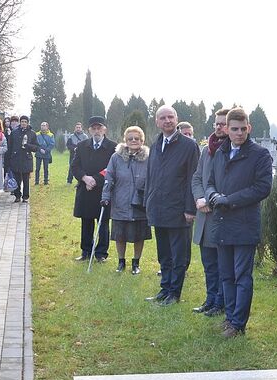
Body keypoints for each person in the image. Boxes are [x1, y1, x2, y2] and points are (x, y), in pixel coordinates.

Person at [204, 107, 272, 337]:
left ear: (249, 128)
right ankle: (230, 317)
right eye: (234, 129)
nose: (239, 133)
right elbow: (211, 181)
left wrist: (228, 200)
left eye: (243, 129)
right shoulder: (221, 152)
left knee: (242, 276)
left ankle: (238, 324)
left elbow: (262, 188)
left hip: (244, 224)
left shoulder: (259, 155)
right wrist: (212, 195)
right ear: (227, 129)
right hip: (222, 222)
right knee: (226, 275)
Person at [144, 106, 199, 306]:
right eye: (162, 118)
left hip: (179, 211)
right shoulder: (156, 145)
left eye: (170, 117)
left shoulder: (188, 146)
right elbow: (151, 177)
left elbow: (192, 179)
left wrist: (189, 209)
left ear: (176, 119)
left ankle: (174, 294)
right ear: (157, 122)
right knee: (164, 254)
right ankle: (164, 289)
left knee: (178, 256)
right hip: (158, 209)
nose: (167, 121)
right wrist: (147, 204)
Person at [190, 107, 229, 317]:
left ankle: (220, 303)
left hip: (222, 216)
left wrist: (210, 201)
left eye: (223, 123)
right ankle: (210, 299)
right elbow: (197, 177)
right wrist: (198, 198)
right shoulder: (207, 150)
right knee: (209, 264)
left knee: (223, 265)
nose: (219, 127)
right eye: (217, 123)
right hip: (204, 214)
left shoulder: (233, 150)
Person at [101, 126, 151, 274]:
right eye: (130, 138)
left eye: (137, 138)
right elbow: (108, 177)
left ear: (142, 140)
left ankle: (136, 263)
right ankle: (121, 262)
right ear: (125, 140)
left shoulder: (149, 158)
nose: (134, 141)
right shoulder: (116, 157)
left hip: (140, 203)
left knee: (139, 235)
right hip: (120, 201)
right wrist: (105, 196)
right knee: (119, 234)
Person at [71, 116, 116, 262]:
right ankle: (86, 251)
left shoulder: (113, 147)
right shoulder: (82, 145)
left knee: (103, 222)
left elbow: (111, 168)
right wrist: (85, 178)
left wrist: (95, 179)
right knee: (86, 222)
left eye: (99, 128)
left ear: (104, 130)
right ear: (89, 130)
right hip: (85, 189)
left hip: (103, 190)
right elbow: (75, 166)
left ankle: (101, 253)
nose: (97, 131)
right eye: (94, 128)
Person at [6, 115, 38, 202]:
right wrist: (8, 160)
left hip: (26, 159)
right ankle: (17, 195)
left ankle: (25, 196)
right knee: (17, 179)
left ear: (27, 123)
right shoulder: (14, 132)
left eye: (25, 122)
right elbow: (10, 146)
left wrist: (28, 146)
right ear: (20, 122)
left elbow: (36, 147)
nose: (23, 123)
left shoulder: (32, 133)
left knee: (26, 180)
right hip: (16, 158)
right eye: (22, 121)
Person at [35, 121, 55, 185]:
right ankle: (36, 181)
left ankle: (46, 181)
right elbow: (35, 143)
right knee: (37, 168)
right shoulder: (37, 134)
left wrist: (46, 151)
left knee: (46, 168)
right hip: (38, 153)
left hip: (46, 154)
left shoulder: (51, 135)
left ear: (47, 127)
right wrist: (39, 149)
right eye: (41, 125)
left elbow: (52, 144)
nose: (42, 127)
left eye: (44, 125)